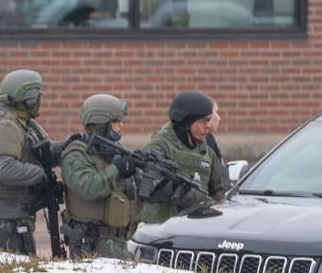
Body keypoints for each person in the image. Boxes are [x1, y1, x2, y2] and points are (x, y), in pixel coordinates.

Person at [0, 69, 52, 255]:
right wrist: (39, 174)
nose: (39, 101)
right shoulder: (6, 127)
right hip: (4, 220)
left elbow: (38, 151)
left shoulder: (24, 124)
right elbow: (3, 170)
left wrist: (69, 147)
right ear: (25, 98)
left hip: (15, 215)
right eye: (36, 96)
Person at [58, 94, 139, 259]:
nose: (121, 126)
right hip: (90, 240)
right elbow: (89, 187)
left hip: (118, 241)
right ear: (102, 124)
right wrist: (116, 169)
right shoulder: (76, 154)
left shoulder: (115, 151)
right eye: (116, 122)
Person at [141, 91, 226, 227]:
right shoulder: (159, 147)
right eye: (202, 121)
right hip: (161, 228)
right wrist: (181, 191)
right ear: (186, 121)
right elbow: (146, 185)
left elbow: (220, 196)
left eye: (209, 120)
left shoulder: (207, 153)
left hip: (197, 229)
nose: (208, 126)